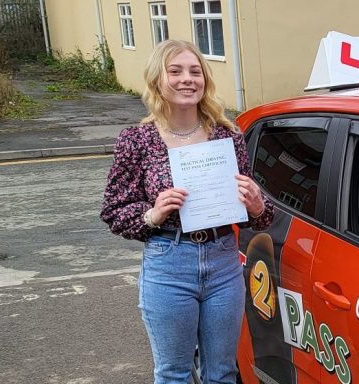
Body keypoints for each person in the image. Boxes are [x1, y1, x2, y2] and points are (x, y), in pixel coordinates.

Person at [100, 39, 274, 384]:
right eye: (175, 71)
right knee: (173, 373)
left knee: (222, 372)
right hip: (169, 261)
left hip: (223, 259)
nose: (187, 79)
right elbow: (114, 209)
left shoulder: (227, 136)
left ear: (205, 80)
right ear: (157, 80)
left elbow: (259, 215)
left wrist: (256, 205)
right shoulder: (137, 140)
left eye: (195, 71)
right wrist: (153, 213)